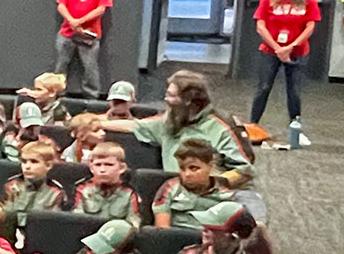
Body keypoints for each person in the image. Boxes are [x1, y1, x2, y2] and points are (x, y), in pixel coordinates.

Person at [101, 70, 253, 187]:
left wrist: (211, 182)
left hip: (213, 195)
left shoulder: (220, 127)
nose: (166, 101)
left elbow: (244, 170)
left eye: (172, 96)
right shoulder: (169, 122)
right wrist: (96, 124)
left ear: (189, 101)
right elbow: (135, 125)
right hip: (174, 192)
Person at [248, 0, 321, 128]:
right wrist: (278, 49)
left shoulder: (308, 0)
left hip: (297, 52)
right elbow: (260, 26)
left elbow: (310, 27)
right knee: (264, 87)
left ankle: (295, 128)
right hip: (270, 51)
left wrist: (290, 47)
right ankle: (253, 125)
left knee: (294, 91)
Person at [54, 0, 112, 96]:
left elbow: (101, 9)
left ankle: (91, 98)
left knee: (90, 68)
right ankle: (57, 94)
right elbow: (61, 5)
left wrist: (78, 22)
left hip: (89, 35)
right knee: (60, 66)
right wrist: (72, 21)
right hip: (66, 34)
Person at [153, 139, 235, 229]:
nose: (187, 174)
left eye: (194, 168)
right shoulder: (170, 188)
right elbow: (162, 231)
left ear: (211, 167)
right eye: (182, 168)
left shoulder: (225, 195)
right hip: (176, 239)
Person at [0, 139, 67, 239]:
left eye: (34, 162)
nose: (27, 167)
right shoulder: (11, 185)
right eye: (24, 161)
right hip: (10, 235)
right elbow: (5, 217)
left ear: (48, 165)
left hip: (40, 237)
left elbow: (51, 225)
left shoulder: (56, 192)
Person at [72, 142, 144, 223]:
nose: (102, 170)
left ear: (122, 168)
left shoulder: (130, 193)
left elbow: (134, 224)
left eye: (109, 165)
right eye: (98, 165)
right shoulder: (81, 189)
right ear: (91, 168)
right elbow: (76, 221)